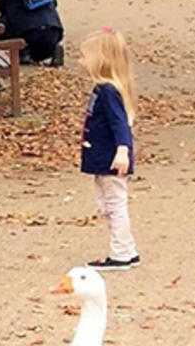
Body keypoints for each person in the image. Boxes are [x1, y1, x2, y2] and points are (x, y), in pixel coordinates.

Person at [78, 28, 139, 270]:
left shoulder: (108, 91)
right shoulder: (102, 89)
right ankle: (127, 248)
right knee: (108, 204)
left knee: (114, 204)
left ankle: (121, 252)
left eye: (85, 56)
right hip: (101, 157)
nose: (81, 61)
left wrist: (123, 150)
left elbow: (119, 124)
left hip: (110, 159)